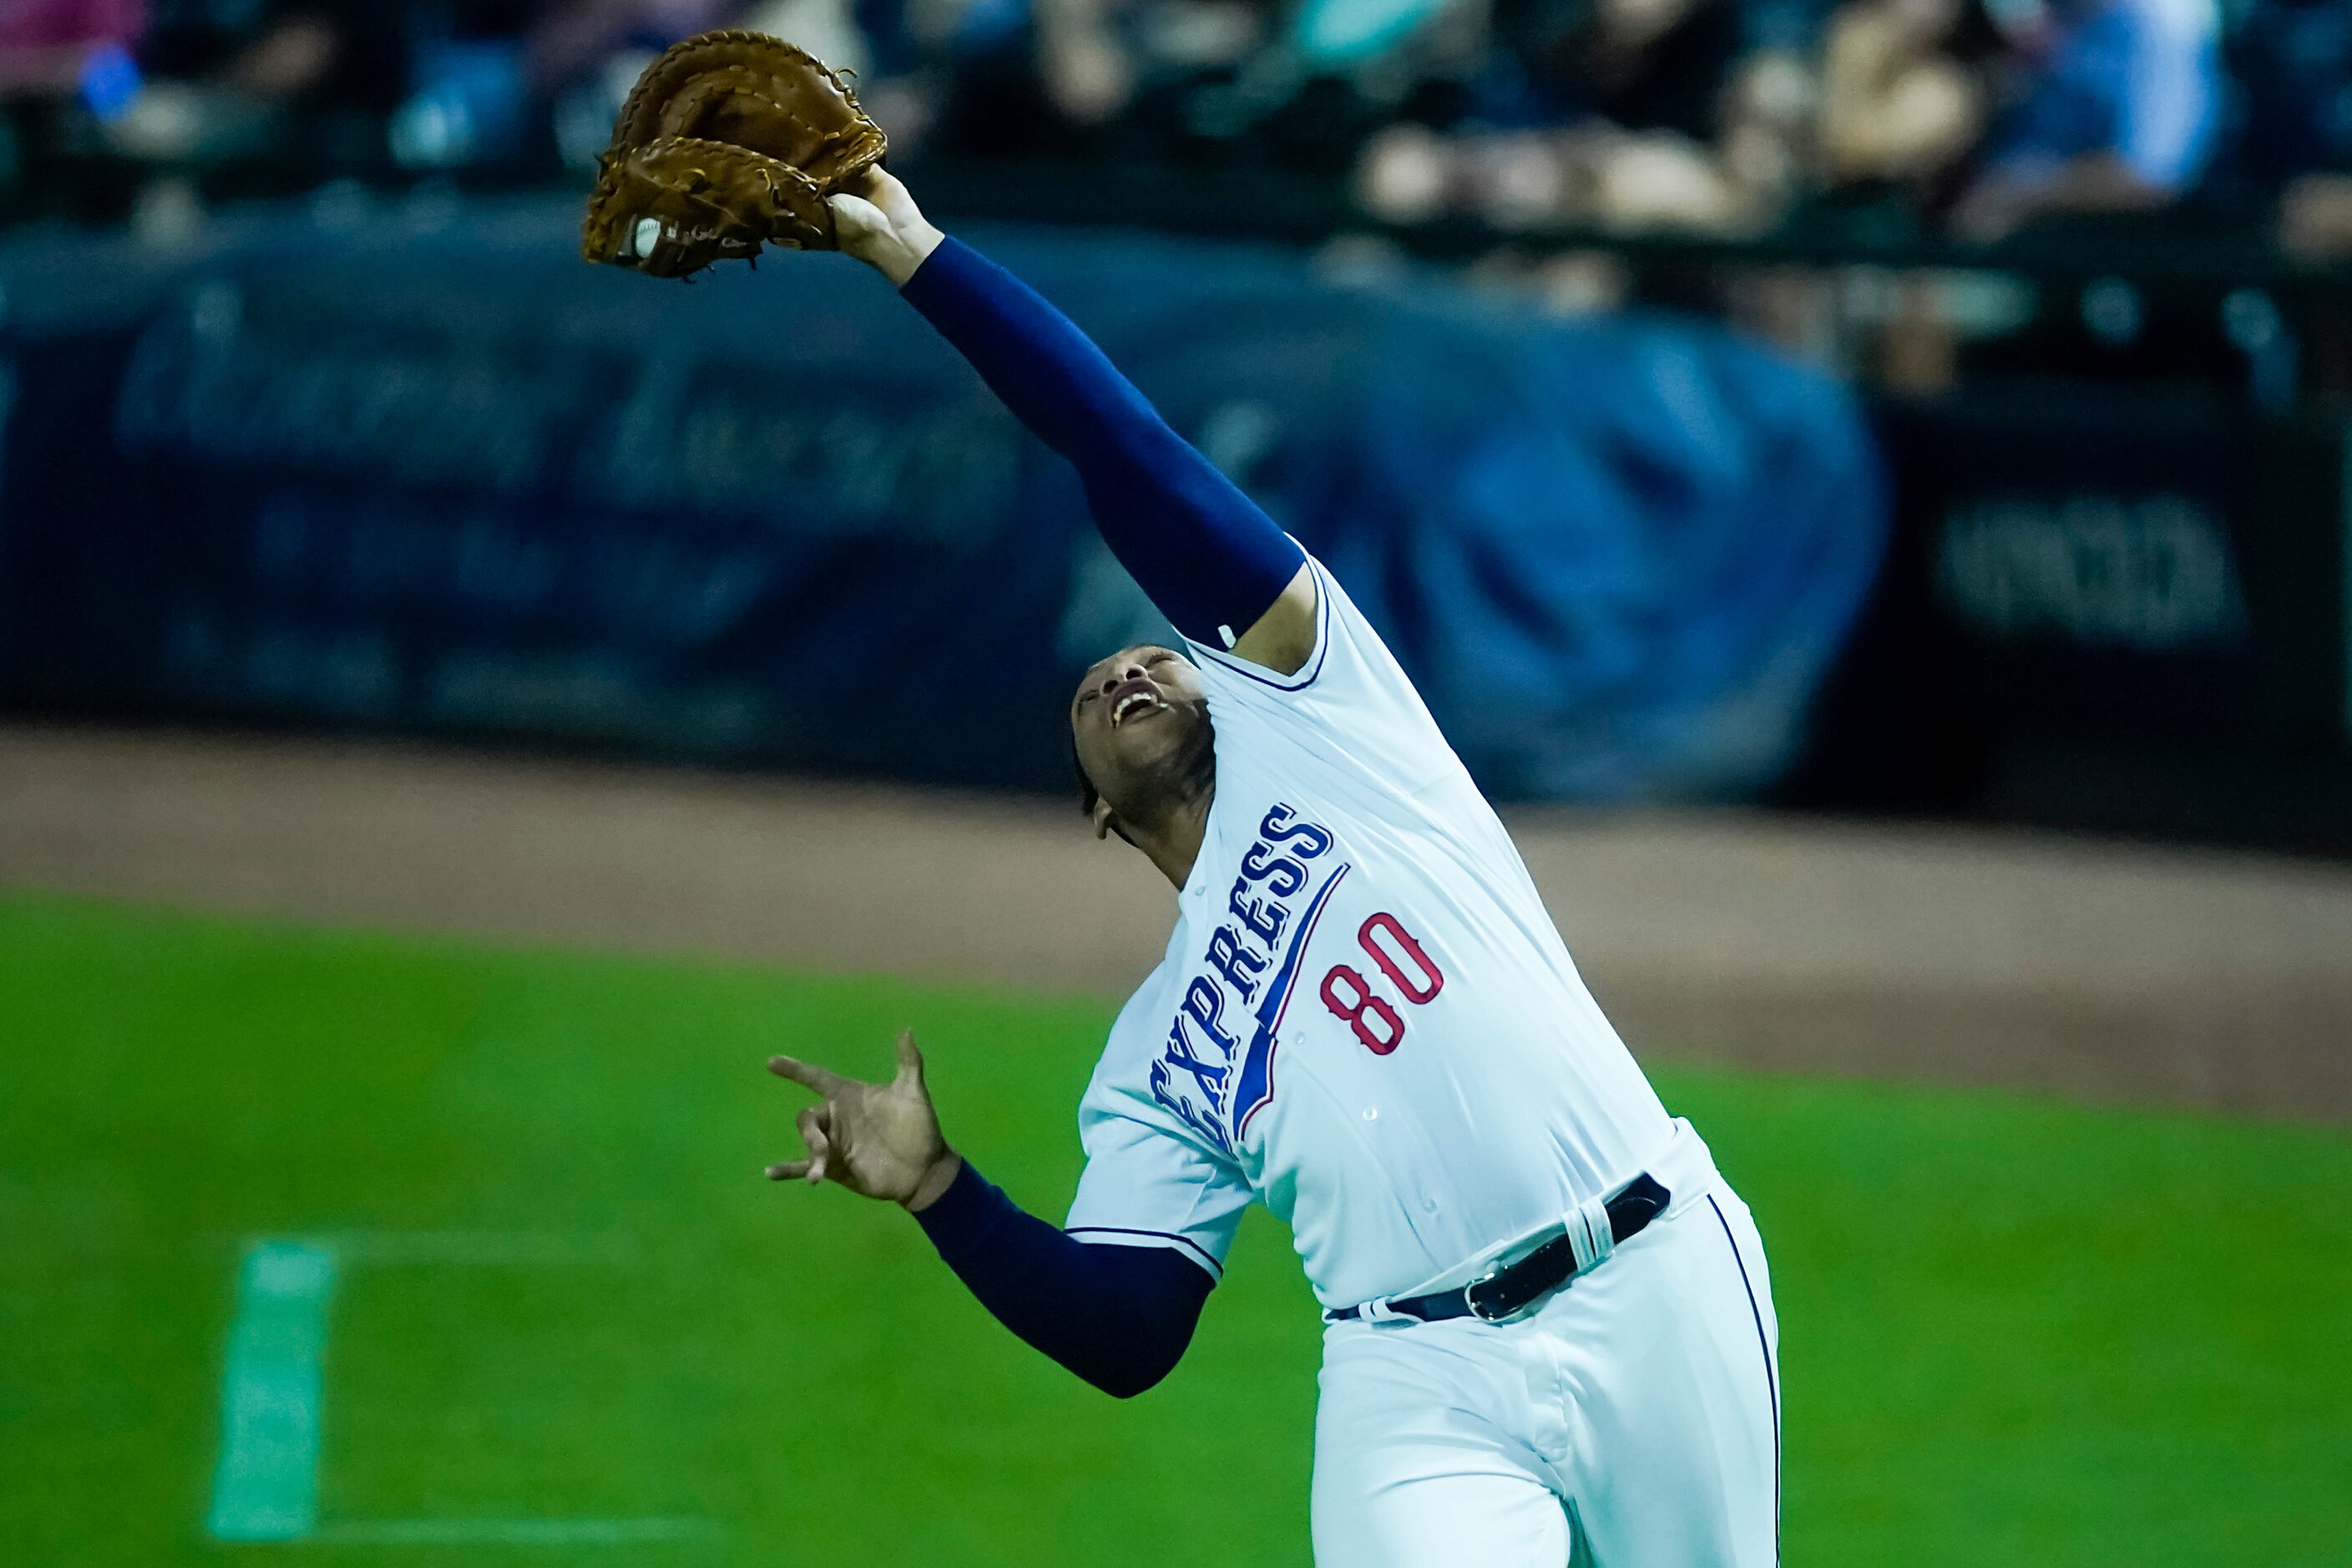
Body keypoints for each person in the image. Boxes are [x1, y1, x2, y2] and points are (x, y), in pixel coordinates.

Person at [758, 166, 1782, 1566]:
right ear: (1098, 815)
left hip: (1652, 1280)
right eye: (1090, 691)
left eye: (1152, 652)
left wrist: (919, 260)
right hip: (1416, 1386)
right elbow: (1126, 1332)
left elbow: (1129, 456)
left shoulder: (1326, 714)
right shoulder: (1152, 1056)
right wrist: (942, 1192)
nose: (1124, 664)